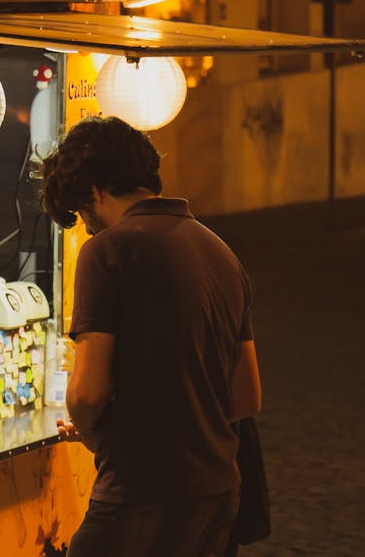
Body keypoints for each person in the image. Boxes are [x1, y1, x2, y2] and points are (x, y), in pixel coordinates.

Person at [39, 116, 262, 557]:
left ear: (96, 191)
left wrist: (93, 430)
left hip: (141, 496)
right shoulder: (220, 251)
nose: (87, 226)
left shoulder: (107, 252)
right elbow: (246, 397)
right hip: (219, 495)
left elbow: (86, 395)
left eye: (83, 212)